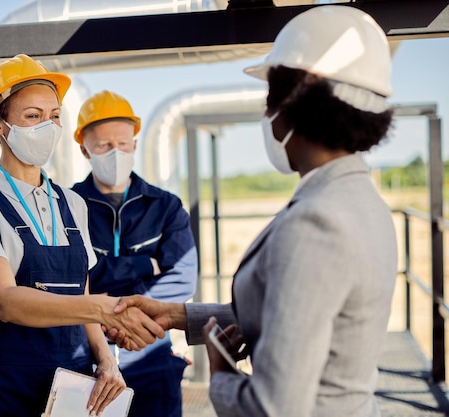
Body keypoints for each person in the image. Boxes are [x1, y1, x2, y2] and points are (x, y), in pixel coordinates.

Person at [110, 6, 398, 417]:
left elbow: (273, 407)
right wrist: (177, 315)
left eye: (269, 101)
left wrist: (221, 370)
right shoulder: (358, 199)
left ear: (292, 106)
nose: (266, 117)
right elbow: (296, 313)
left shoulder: (318, 223)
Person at [0, 54, 164, 417]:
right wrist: (105, 310)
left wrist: (106, 358)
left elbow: (80, 292)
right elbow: (6, 301)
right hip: (1, 395)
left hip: (69, 392)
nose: (47, 127)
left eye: (54, 116)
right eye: (33, 116)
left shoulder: (72, 204)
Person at [71, 90, 198, 417]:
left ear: (135, 145)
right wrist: (145, 263)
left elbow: (182, 280)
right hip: (83, 361)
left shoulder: (165, 206)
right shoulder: (66, 207)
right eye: (104, 146)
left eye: (123, 145)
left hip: (151, 357)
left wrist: (132, 324)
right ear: (85, 149)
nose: (116, 153)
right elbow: (69, 280)